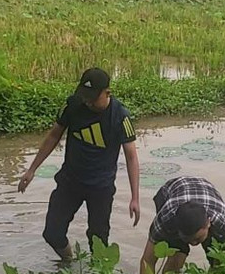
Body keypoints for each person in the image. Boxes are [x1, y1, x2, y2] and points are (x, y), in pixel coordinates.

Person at [18, 67, 140, 262]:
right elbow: (54, 136)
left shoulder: (120, 116)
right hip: (70, 181)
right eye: (85, 97)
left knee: (98, 241)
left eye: (93, 98)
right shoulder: (73, 105)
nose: (88, 102)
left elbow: (131, 156)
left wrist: (135, 198)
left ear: (107, 93)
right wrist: (32, 169)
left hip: (101, 187)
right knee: (52, 233)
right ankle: (69, 263)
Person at [140, 176, 225, 274]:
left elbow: (224, 264)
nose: (193, 243)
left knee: (219, 264)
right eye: (187, 239)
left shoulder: (223, 224)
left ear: (208, 223)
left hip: (207, 193)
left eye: (197, 238)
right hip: (171, 190)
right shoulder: (166, 218)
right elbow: (147, 261)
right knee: (176, 258)